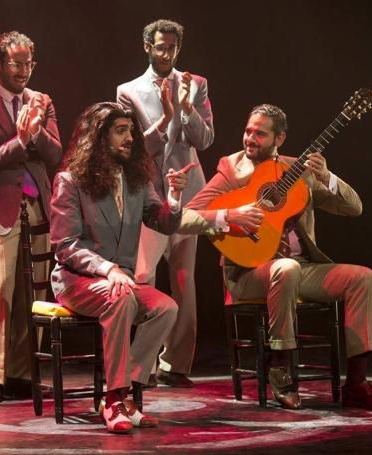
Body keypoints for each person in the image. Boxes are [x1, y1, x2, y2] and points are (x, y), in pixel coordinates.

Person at [180, 104, 372, 411]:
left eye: (260, 133)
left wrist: (328, 178)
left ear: (279, 138)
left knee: (362, 276)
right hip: (248, 274)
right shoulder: (231, 169)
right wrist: (230, 215)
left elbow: (354, 208)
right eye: (248, 130)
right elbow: (184, 217)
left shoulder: (297, 170)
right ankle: (281, 369)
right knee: (286, 268)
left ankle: (357, 384)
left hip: (302, 268)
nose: (250, 139)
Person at [49, 102, 191, 433]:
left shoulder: (136, 181)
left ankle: (127, 391)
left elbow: (164, 222)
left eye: (131, 131)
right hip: (77, 281)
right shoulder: (70, 181)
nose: (130, 138)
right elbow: (65, 245)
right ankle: (114, 399)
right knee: (121, 298)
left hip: (120, 282)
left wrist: (175, 197)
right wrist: (108, 269)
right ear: (99, 138)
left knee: (166, 308)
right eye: (120, 131)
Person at [0, 31, 62, 403]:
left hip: (38, 204)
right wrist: (18, 144)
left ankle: (23, 372)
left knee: (33, 292)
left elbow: (54, 155)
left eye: (29, 63)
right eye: (16, 63)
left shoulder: (42, 101)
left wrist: (35, 135)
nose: (24, 71)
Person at [116, 19, 214, 388]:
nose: (166, 53)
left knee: (185, 281)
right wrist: (168, 116)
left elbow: (203, 141)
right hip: (151, 195)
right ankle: (144, 367)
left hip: (190, 193)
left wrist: (187, 108)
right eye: (160, 47)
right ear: (147, 46)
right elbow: (133, 146)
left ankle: (177, 364)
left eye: (172, 47)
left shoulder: (197, 84)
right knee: (144, 277)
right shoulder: (128, 90)